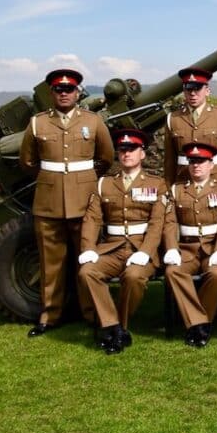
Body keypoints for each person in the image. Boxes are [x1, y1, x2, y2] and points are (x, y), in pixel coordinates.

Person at [20, 68, 114, 338]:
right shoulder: (38, 123)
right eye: (59, 90)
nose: (64, 94)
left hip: (84, 202)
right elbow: (27, 162)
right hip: (48, 203)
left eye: (69, 89)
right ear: (52, 93)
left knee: (87, 259)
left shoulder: (93, 122)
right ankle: (50, 316)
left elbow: (106, 158)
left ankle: (91, 313)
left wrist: (82, 180)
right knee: (51, 263)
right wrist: (51, 179)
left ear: (77, 92)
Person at [76, 129, 166, 354]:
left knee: (134, 277)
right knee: (87, 272)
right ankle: (114, 327)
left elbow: (157, 224)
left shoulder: (157, 184)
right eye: (123, 150)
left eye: (132, 150)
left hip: (141, 248)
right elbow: (92, 219)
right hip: (112, 248)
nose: (127, 154)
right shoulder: (103, 184)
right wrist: (88, 248)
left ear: (142, 154)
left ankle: (117, 326)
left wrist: (145, 251)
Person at [161, 142, 217, 348]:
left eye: (201, 161)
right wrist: (172, 247)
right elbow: (170, 222)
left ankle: (197, 323)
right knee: (173, 272)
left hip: (213, 248)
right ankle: (200, 324)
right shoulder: (177, 190)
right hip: (187, 249)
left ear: (212, 164)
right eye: (192, 162)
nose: (196, 166)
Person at [164, 67, 217, 186]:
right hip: (183, 180)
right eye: (189, 89)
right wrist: (168, 187)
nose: (193, 93)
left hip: (215, 180)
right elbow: (169, 160)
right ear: (184, 91)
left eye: (197, 89)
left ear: (207, 90)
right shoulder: (173, 119)